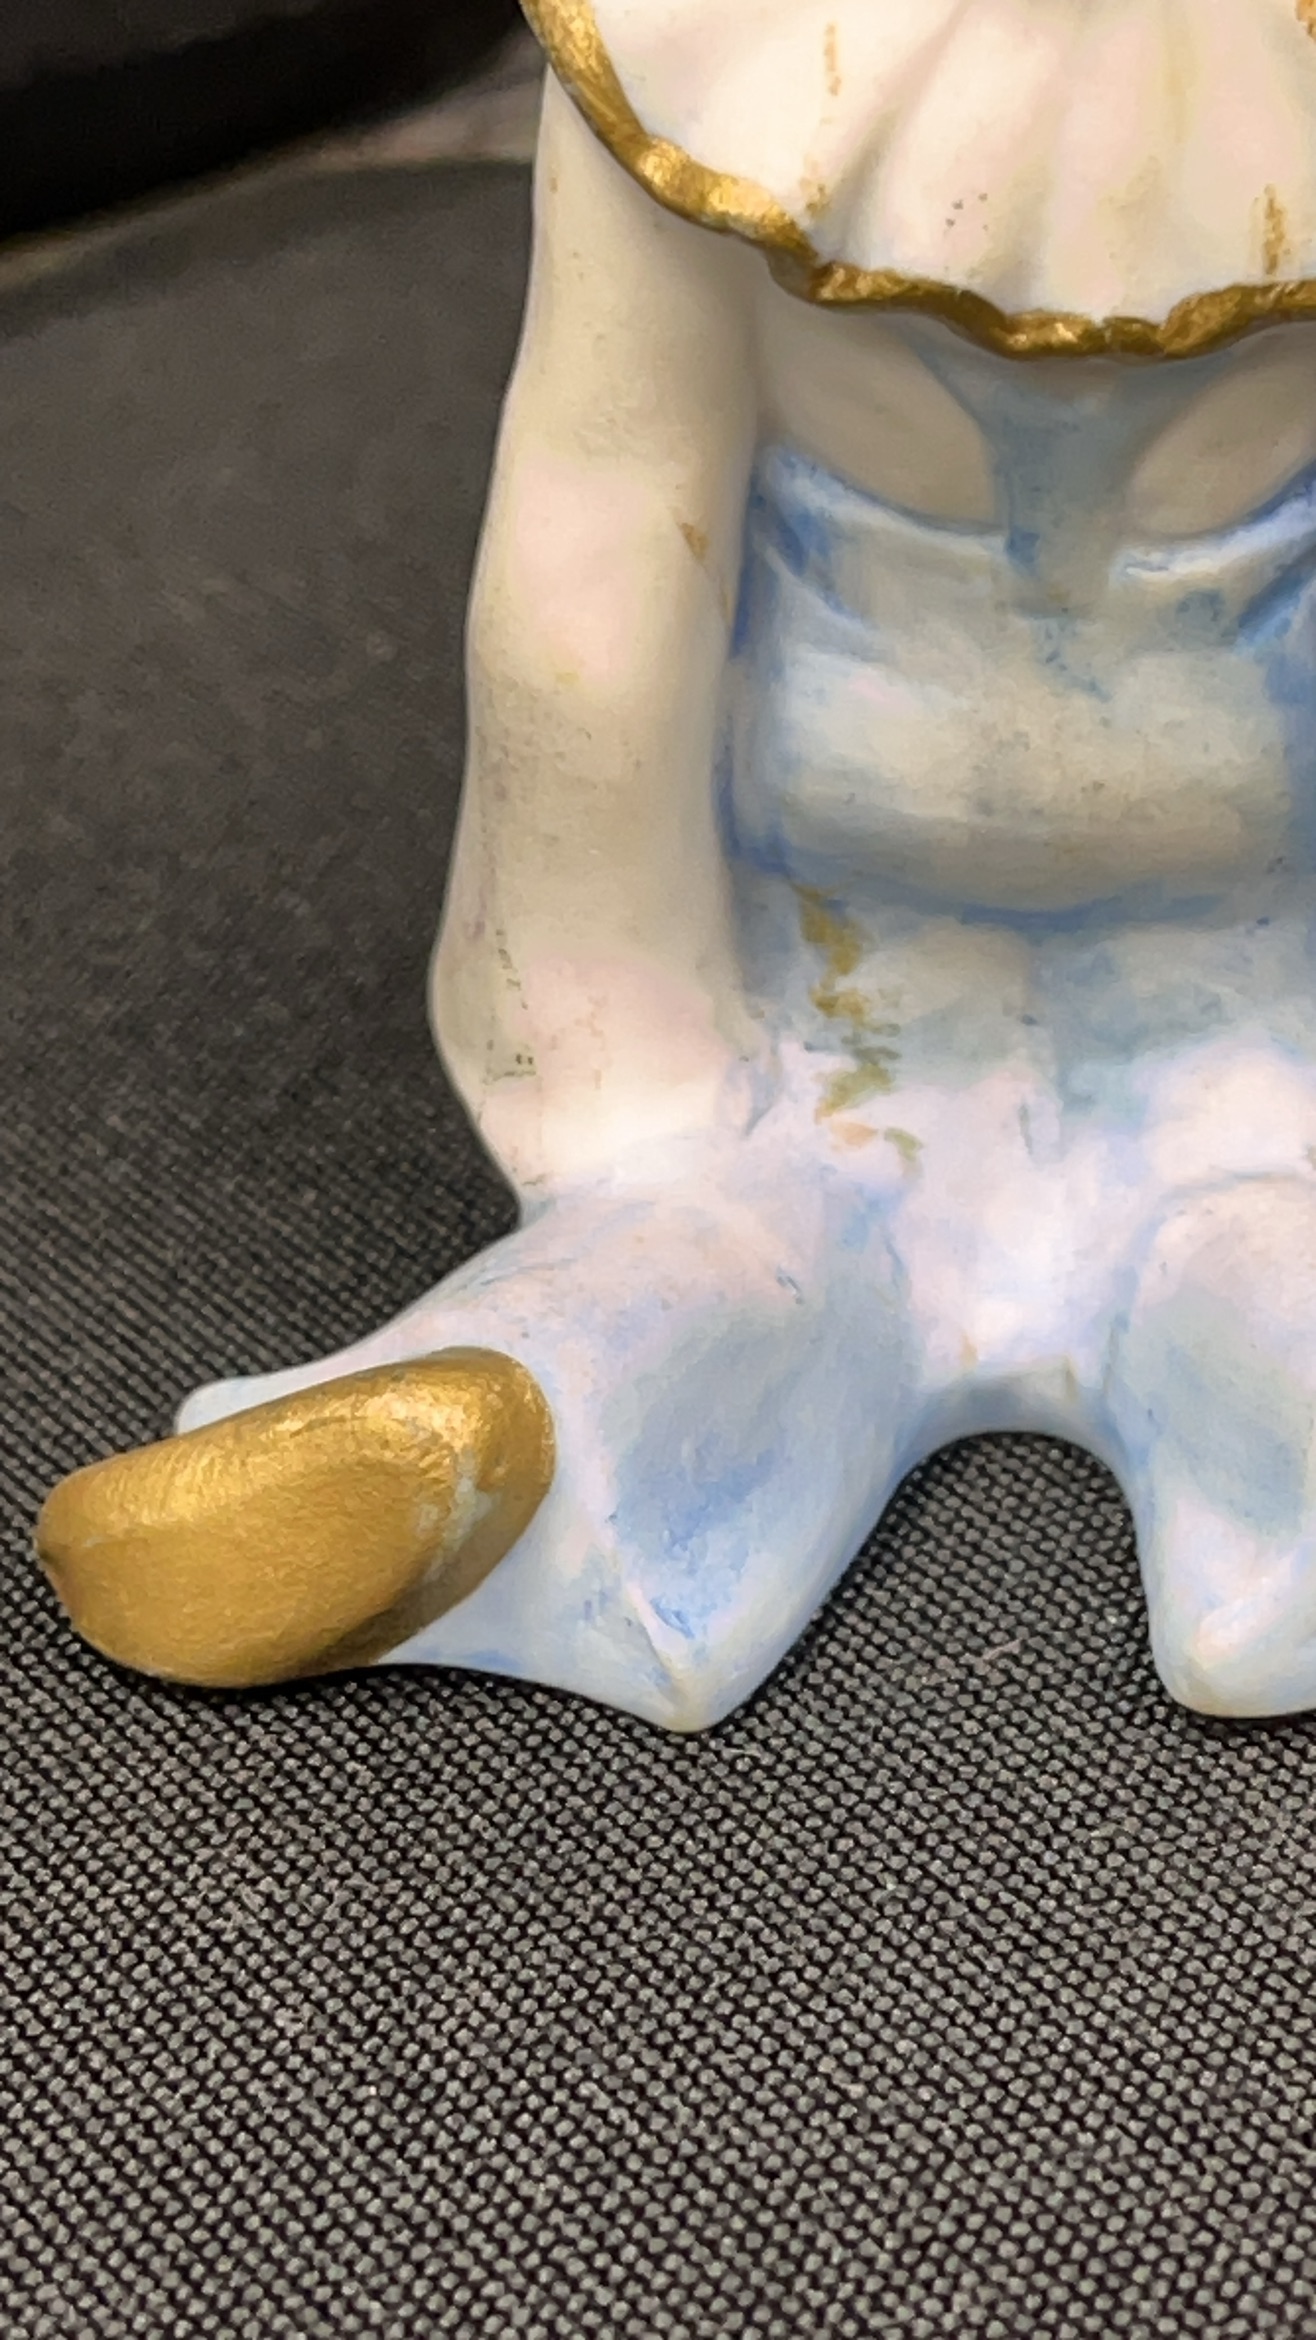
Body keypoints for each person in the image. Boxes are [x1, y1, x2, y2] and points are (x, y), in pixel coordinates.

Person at [38, 0, 1316, 1728]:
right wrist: (625, 1085)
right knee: (722, 1234)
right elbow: (610, 534)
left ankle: (1242, 1315)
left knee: (1260, 1229)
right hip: (819, 985)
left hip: (1260, 995)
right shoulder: (705, 53)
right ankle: (586, 1391)